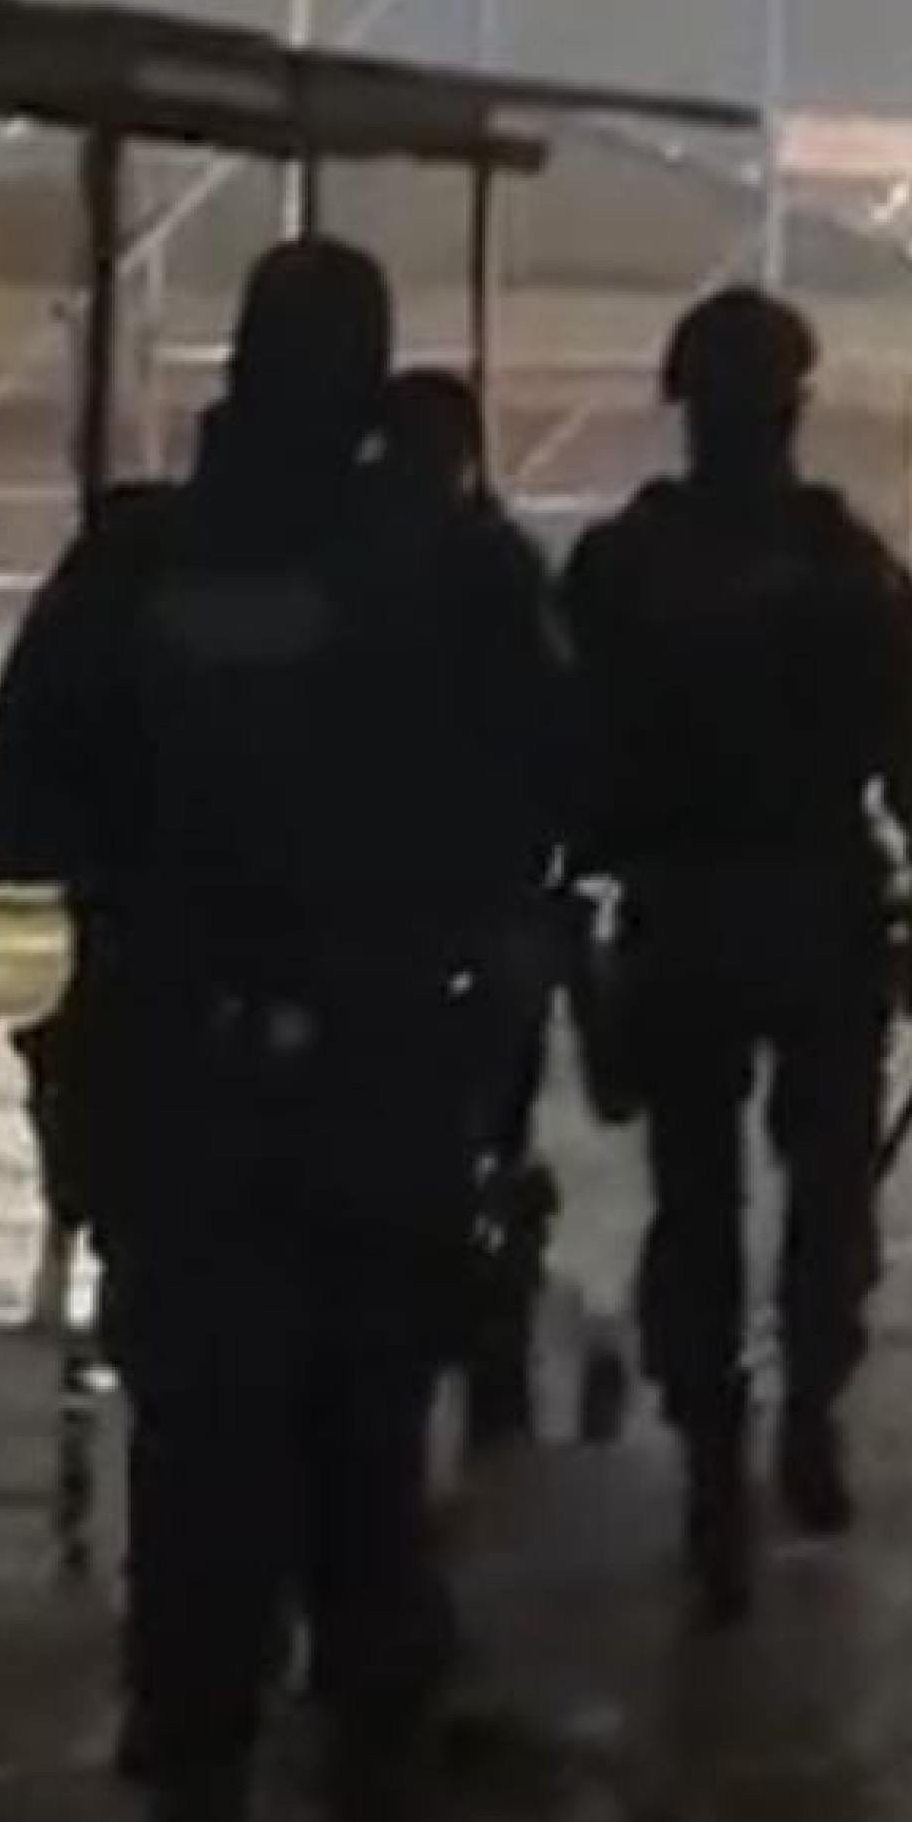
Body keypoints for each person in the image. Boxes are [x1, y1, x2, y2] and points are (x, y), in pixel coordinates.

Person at [0, 241, 567, 1822]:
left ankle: (208, 1783)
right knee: (368, 1460)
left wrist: (158, 849)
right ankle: (357, 1784)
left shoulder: (133, 566)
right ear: (374, 383)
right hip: (375, 1080)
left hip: (182, 1079)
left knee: (199, 1459)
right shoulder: (454, 569)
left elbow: (3, 815)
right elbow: (554, 795)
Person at [561, 288, 912, 1628]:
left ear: (683, 403)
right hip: (814, 912)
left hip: (686, 916)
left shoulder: (624, 567)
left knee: (696, 1189)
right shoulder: (841, 567)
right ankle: (801, 1405)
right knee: (823, 1185)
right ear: (793, 407)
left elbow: (558, 750)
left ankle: (718, 1441)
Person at [376, 368, 561, 1452]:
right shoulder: (492, 562)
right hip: (475, 891)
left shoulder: (342, 554)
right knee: (488, 1115)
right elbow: (557, 720)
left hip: (384, 896)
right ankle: (487, 1307)